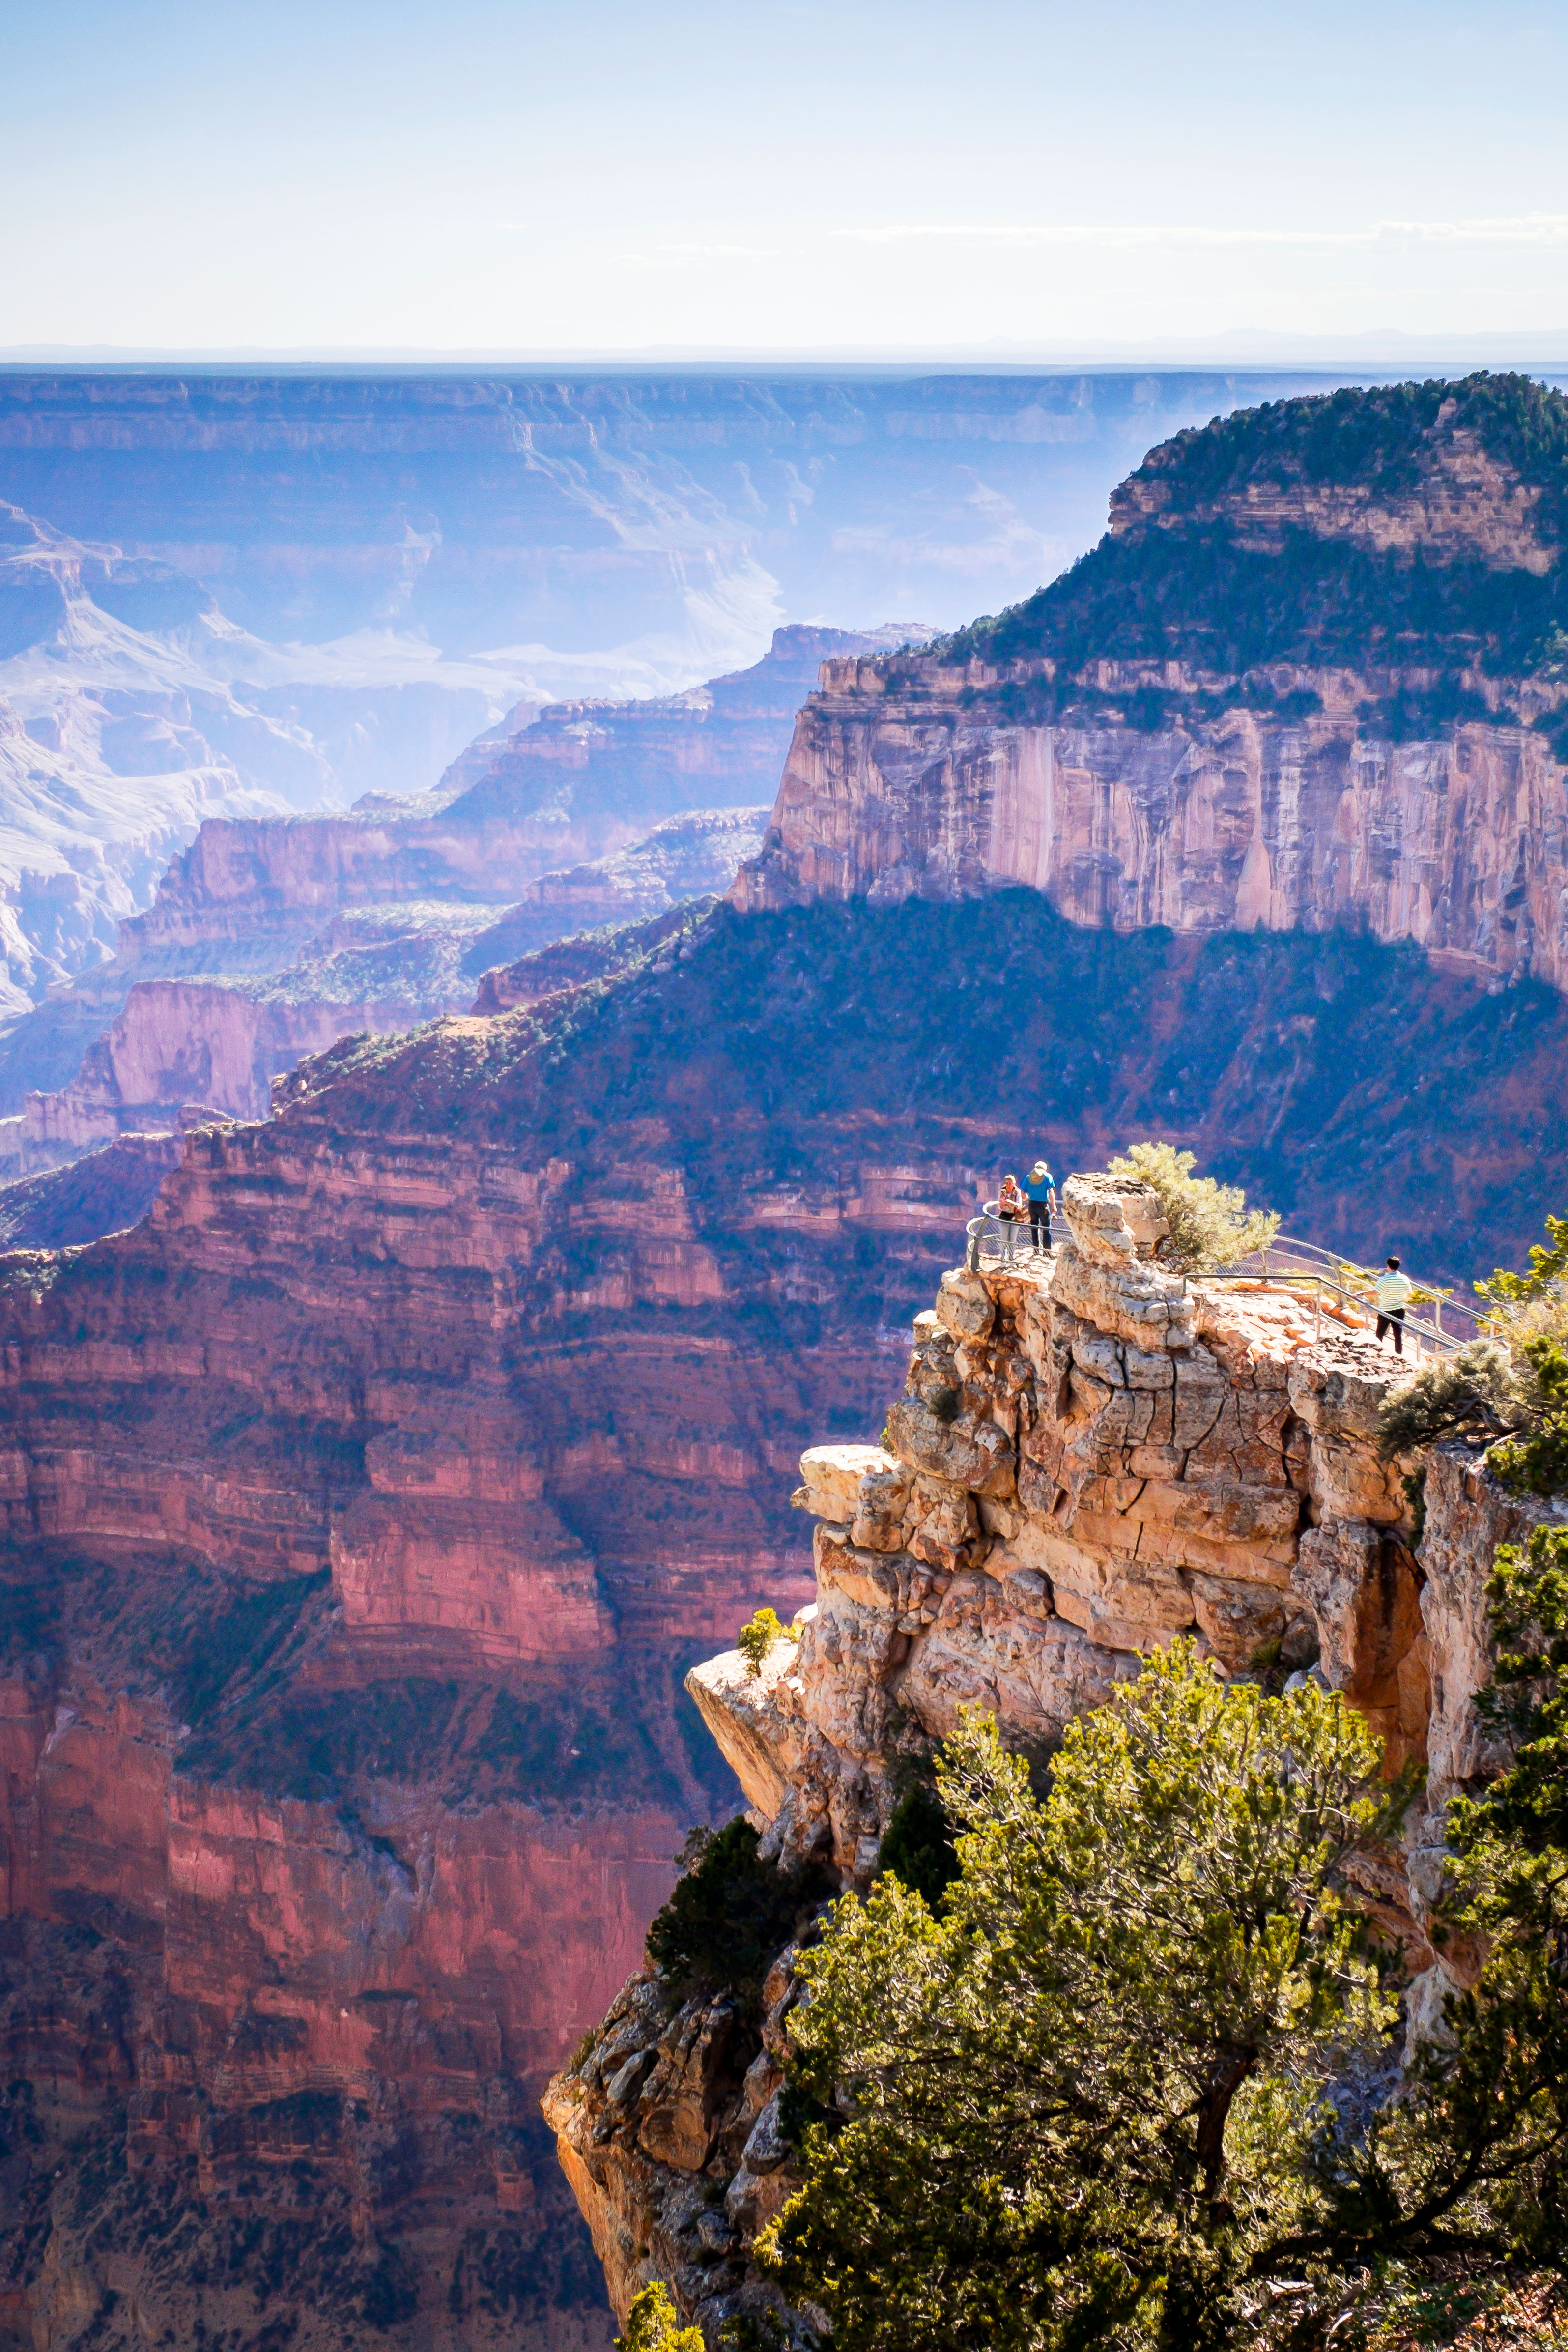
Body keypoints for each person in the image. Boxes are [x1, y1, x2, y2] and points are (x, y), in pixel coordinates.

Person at [1375, 1255, 1414, 1355]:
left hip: (1385, 1310)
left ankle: (1377, 1352)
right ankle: (1399, 1355)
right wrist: (1401, 1299)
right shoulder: (1405, 1279)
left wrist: (1361, 1294)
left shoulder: (1384, 1279)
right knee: (1398, 1335)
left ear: (1388, 1266)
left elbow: (1376, 1291)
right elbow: (1409, 1294)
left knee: (1380, 1333)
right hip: (1399, 1310)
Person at [1023, 1159, 1057, 1252]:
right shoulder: (1048, 1177)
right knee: (1046, 1228)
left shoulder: (1029, 1177)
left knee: (1034, 1228)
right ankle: (1047, 1251)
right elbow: (1051, 1192)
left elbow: (1023, 1192)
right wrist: (1054, 1207)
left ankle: (1036, 1250)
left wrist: (1028, 1197)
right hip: (1043, 1206)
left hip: (1032, 1205)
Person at [997, 1172, 1026, 1266]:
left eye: (1010, 1184)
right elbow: (1000, 1206)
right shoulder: (1003, 1191)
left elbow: (1020, 1205)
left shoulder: (1017, 1192)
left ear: (1014, 1184)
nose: (1008, 1185)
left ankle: (1012, 1260)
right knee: (1004, 1239)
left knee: (1013, 1239)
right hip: (1005, 1217)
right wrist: (1002, 1203)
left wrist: (1011, 1202)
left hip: (1015, 1217)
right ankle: (1003, 1260)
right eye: (1007, 1183)